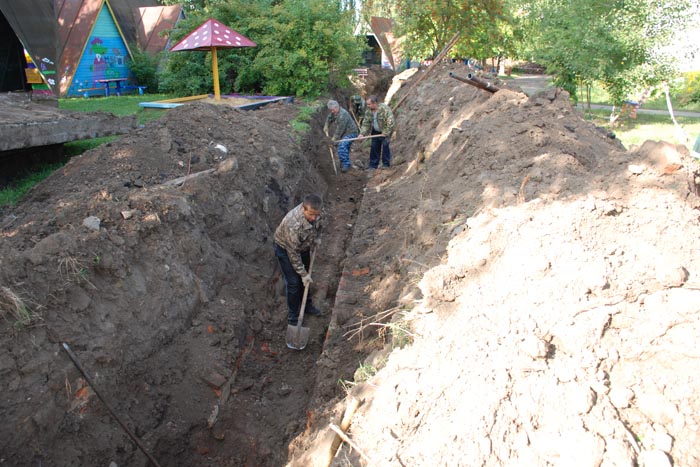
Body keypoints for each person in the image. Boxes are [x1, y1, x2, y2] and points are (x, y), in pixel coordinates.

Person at [273, 194, 324, 326]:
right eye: (311, 215)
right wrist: (302, 274)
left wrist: (317, 238)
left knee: (305, 280)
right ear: (303, 208)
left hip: (304, 244)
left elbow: (319, 224)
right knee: (294, 282)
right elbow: (293, 253)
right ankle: (293, 317)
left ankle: (307, 305)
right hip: (286, 249)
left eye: (316, 215)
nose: (314, 218)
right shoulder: (293, 224)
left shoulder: (317, 212)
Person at [359, 95, 395, 171]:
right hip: (375, 130)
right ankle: (373, 166)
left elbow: (391, 122)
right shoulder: (369, 111)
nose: (367, 106)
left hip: (385, 130)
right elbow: (366, 123)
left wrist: (386, 132)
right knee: (374, 146)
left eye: (369, 104)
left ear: (374, 103)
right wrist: (362, 133)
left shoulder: (384, 109)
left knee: (385, 146)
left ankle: (386, 165)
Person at [323, 100, 358, 173]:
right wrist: (326, 126)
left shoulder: (343, 114)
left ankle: (346, 165)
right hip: (344, 133)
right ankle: (345, 162)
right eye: (331, 110)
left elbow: (340, 129)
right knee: (344, 148)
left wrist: (333, 139)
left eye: (332, 110)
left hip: (351, 132)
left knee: (341, 146)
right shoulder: (334, 112)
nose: (332, 111)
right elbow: (329, 118)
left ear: (337, 107)